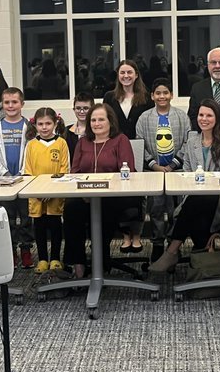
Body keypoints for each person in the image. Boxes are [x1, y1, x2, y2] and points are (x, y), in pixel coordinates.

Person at [149, 98, 220, 272]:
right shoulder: (192, 142)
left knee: (199, 202)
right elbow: (187, 175)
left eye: (209, 115)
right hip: (194, 198)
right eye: (201, 115)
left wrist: (206, 183)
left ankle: (172, 251)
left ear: (217, 119)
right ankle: (203, 257)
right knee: (198, 210)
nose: (203, 119)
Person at [62, 103, 137, 279]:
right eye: (93, 120)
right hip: (85, 195)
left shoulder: (120, 140)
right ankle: (77, 262)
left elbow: (128, 172)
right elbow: (75, 173)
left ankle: (101, 261)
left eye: (101, 119)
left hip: (114, 196)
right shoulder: (83, 142)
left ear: (110, 121)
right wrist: (86, 193)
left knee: (104, 211)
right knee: (71, 209)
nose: (96, 123)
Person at [135, 77, 190, 262]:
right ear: (152, 96)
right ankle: (158, 244)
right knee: (157, 208)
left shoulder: (182, 117)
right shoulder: (144, 118)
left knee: (176, 209)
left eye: (165, 92)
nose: (162, 96)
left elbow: (188, 142)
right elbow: (140, 144)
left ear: (171, 95)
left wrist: (173, 164)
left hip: (176, 170)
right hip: (154, 171)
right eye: (158, 93)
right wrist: (155, 166)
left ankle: (174, 244)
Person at [103, 59, 153, 254]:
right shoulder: (109, 96)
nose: (126, 76)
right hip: (115, 148)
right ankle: (124, 235)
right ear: (118, 75)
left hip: (140, 148)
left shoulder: (146, 97)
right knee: (120, 193)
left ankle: (138, 234)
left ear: (136, 74)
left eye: (129, 72)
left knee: (138, 194)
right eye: (122, 73)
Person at [0, 87, 35, 268]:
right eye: (7, 102)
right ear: (2, 105)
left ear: (22, 104)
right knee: (7, 217)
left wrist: (22, 173)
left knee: (26, 216)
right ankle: (11, 250)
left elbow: (32, 151)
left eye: (14, 102)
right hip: (4, 181)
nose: (11, 105)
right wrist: (5, 174)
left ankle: (26, 249)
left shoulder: (29, 127)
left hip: (24, 179)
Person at [23, 108, 70, 273]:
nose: (44, 127)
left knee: (56, 226)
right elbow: (27, 171)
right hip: (36, 196)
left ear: (55, 123)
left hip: (55, 195)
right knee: (40, 227)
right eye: (40, 124)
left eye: (48, 123)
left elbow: (65, 170)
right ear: (35, 125)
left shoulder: (61, 143)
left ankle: (56, 258)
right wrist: (39, 191)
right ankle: (42, 259)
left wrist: (51, 191)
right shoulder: (31, 145)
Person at [63, 92, 94, 160]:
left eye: (85, 108)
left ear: (92, 109)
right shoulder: (65, 132)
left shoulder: (97, 130)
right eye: (78, 108)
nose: (82, 112)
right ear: (74, 109)